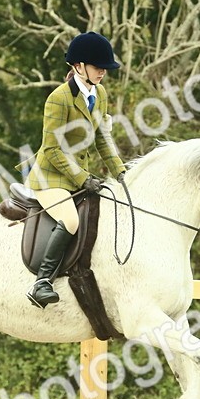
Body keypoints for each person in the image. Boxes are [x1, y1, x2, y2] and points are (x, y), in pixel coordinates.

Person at [20, 31, 127, 308]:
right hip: (51, 178)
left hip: (80, 179)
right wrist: (83, 178)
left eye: (105, 67)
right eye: (97, 66)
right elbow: (52, 149)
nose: (103, 72)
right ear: (78, 66)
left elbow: (103, 138)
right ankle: (41, 283)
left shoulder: (99, 94)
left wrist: (121, 172)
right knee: (70, 221)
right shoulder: (59, 99)